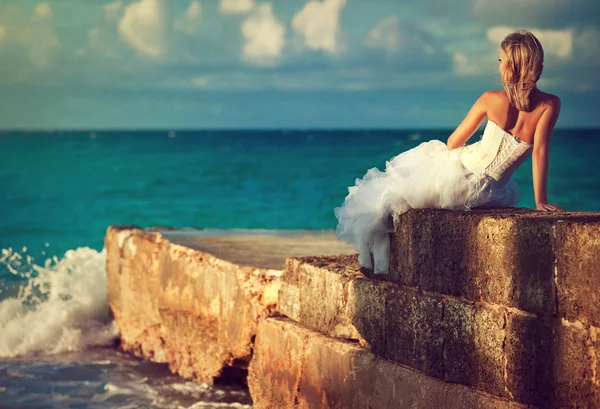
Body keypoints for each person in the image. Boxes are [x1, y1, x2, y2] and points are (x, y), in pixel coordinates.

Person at [334, 30, 563, 275]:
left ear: (510, 65)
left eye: (500, 61)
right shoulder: (550, 104)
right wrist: (541, 201)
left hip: (461, 180)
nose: (498, 67)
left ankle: (375, 252)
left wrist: (457, 152)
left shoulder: (490, 99)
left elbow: (454, 141)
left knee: (406, 178)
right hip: (492, 193)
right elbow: (539, 152)